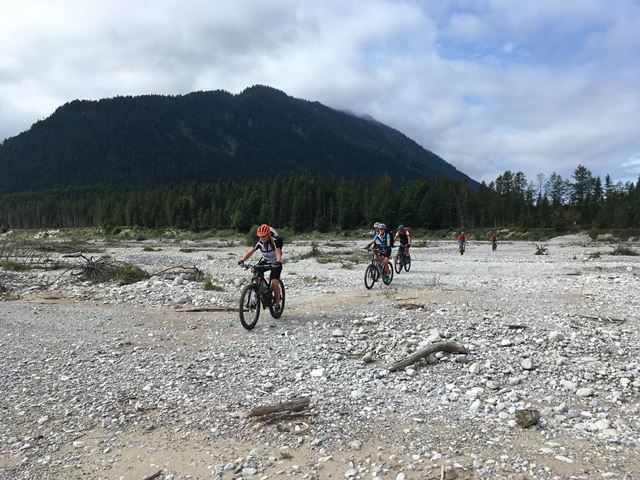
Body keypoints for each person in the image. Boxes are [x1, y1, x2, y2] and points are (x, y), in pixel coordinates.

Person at [238, 224, 283, 311]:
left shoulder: (275, 241)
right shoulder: (259, 243)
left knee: (274, 282)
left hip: (275, 262)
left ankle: (277, 304)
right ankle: (261, 291)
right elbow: (250, 252)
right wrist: (242, 260)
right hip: (265, 261)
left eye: (264, 236)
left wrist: (278, 262)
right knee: (255, 271)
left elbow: (278, 253)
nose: (262, 238)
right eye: (260, 236)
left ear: (268, 234)